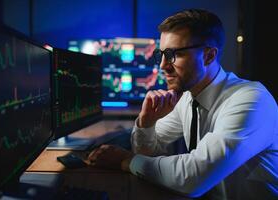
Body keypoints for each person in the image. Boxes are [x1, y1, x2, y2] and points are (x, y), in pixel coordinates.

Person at [84, 9, 278, 199]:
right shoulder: (187, 98)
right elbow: (146, 153)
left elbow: (193, 177)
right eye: (161, 55)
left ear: (208, 56)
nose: (162, 66)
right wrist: (146, 123)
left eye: (173, 54)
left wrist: (126, 161)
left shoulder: (252, 100)